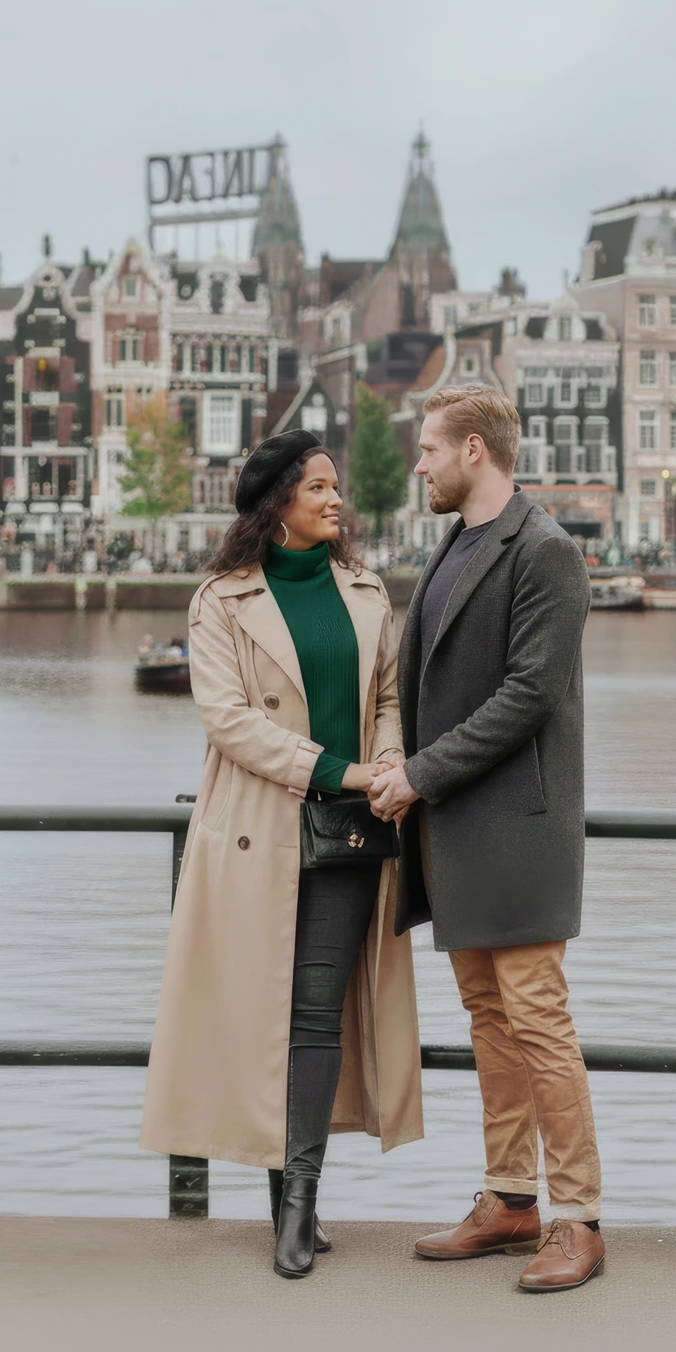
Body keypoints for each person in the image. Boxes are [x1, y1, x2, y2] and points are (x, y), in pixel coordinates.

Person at [140, 430, 422, 1279]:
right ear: (279, 506)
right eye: (319, 489)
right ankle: (281, 1200)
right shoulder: (220, 601)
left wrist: (391, 761)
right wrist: (336, 768)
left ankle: (298, 1199)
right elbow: (228, 721)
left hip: (348, 832)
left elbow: (387, 695)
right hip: (257, 829)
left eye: (337, 488)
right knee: (264, 1010)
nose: (336, 501)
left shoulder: (365, 590)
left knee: (311, 1012)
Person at [369, 387, 603, 1294]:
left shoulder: (546, 552)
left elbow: (528, 696)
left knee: (539, 1023)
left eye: (429, 448)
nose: (418, 464)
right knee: (490, 1024)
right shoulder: (452, 546)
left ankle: (578, 1216)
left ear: (475, 449)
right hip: (458, 834)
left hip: (516, 833)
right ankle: (512, 1201)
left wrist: (420, 774)